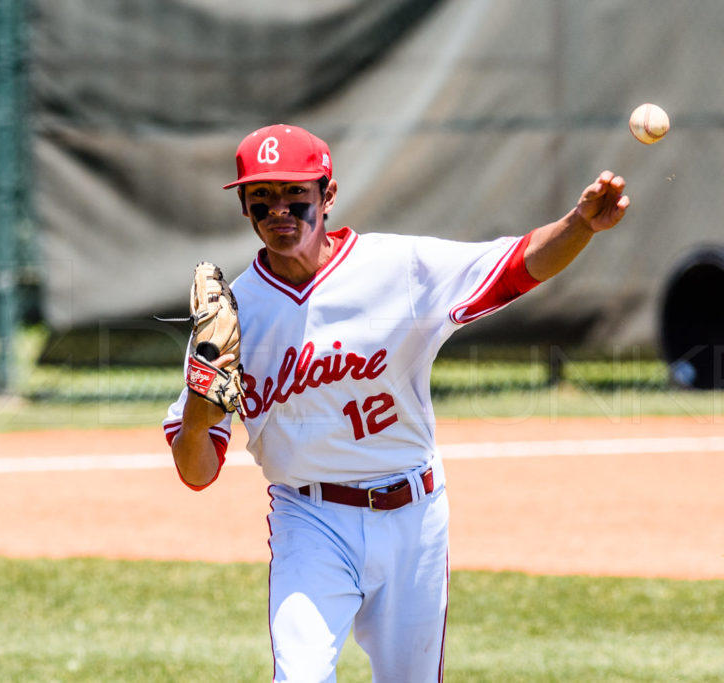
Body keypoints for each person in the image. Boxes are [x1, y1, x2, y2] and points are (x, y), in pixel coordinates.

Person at [163, 124, 629, 682]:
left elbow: (515, 268)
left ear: (328, 195)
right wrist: (199, 399)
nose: (278, 209)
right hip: (309, 520)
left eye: (295, 193)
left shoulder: (396, 269)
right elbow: (196, 472)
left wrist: (579, 226)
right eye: (261, 195)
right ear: (243, 205)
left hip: (413, 516)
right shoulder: (234, 315)